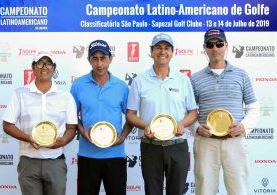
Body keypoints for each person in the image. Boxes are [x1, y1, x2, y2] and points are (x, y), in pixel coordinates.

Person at [126, 33, 198, 195]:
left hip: (177, 146)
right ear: (151, 51)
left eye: (166, 48)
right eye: (158, 47)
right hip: (151, 146)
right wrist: (145, 125)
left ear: (173, 52)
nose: (162, 52)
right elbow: (130, 114)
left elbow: (193, 113)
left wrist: (183, 124)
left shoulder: (182, 80)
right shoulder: (140, 81)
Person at [191, 28, 260, 195]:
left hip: (235, 141)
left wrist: (243, 126)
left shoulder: (241, 75)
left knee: (238, 190)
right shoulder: (195, 78)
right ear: (205, 48)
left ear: (226, 46)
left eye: (219, 44)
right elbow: (189, 112)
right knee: (204, 190)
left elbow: (253, 108)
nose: (215, 48)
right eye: (210, 44)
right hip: (206, 142)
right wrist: (196, 128)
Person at [2, 50, 78, 195]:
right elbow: (7, 125)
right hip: (28, 162)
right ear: (33, 67)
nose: (44, 67)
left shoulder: (65, 96)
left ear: (54, 68)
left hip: (55, 161)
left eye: (48, 63)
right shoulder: (19, 94)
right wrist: (28, 138)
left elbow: (71, 128)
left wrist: (62, 142)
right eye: (40, 63)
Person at [70, 40, 133, 195]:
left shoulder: (121, 86)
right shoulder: (78, 85)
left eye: (103, 58)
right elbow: (71, 116)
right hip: (87, 156)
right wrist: (83, 131)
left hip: (115, 155)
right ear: (89, 60)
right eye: (95, 58)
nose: (99, 64)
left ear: (110, 59)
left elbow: (131, 117)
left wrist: (123, 136)